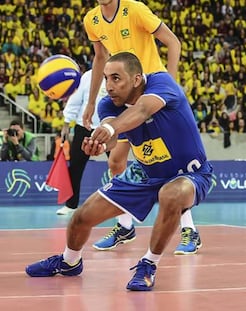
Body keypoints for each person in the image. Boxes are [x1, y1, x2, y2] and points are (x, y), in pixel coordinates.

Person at [25, 52, 214, 291]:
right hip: (144, 174)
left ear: (136, 79)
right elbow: (114, 141)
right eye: (106, 78)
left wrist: (108, 128)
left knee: (171, 194)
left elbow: (142, 111)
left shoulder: (161, 83)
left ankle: (148, 264)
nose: (109, 86)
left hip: (189, 175)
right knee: (81, 217)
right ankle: (69, 262)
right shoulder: (107, 104)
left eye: (116, 78)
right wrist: (100, 144)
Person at [82, 0, 201, 255]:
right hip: (123, 98)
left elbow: (173, 41)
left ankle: (189, 229)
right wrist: (91, 101)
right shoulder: (92, 19)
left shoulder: (134, 10)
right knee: (116, 161)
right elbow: (100, 58)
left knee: (168, 164)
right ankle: (125, 226)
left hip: (151, 95)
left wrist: (171, 86)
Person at [55, 69, 111, 215]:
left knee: (117, 165)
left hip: (110, 127)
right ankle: (71, 205)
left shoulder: (120, 73)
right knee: (75, 167)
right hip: (84, 126)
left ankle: (121, 205)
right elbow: (75, 99)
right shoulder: (88, 76)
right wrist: (66, 123)